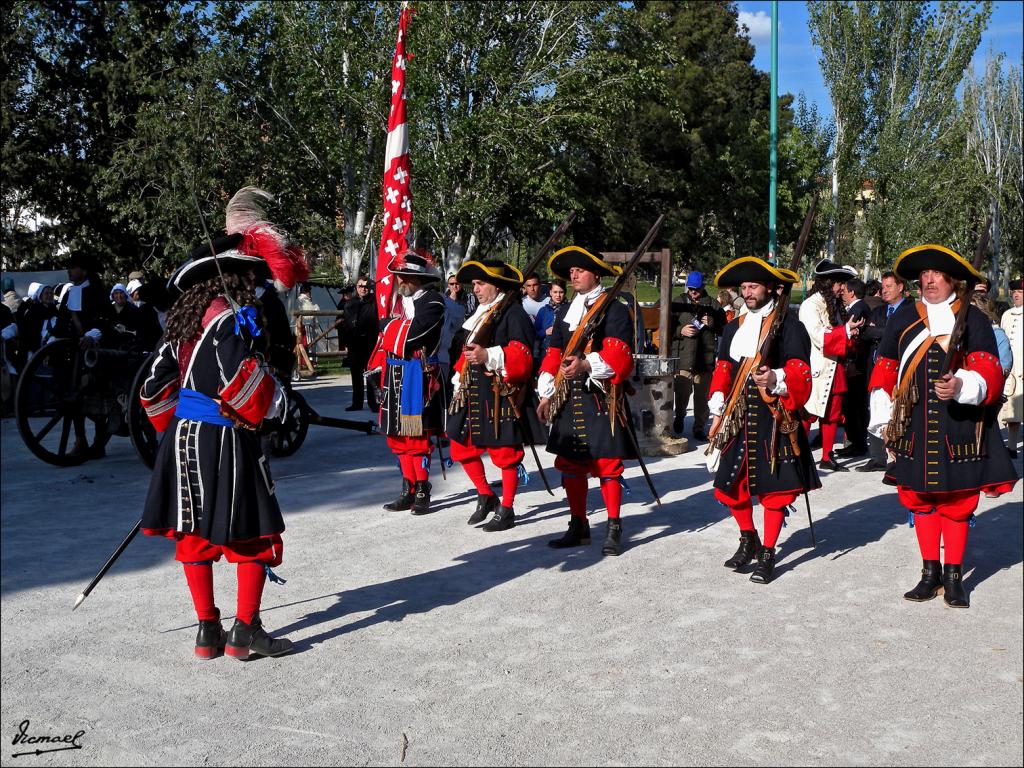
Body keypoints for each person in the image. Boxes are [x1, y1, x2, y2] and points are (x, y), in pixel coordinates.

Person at [138, 185, 309, 659]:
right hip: (227, 437)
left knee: (195, 532)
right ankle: (245, 631)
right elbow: (241, 378)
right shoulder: (232, 319)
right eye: (252, 278)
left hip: (183, 439)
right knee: (250, 532)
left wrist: (177, 426)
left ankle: (207, 632)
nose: (256, 286)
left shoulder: (185, 323)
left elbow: (152, 387)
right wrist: (277, 406)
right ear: (236, 278)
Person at [868, 245, 1017, 608]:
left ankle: (953, 577)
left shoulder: (974, 320)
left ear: (953, 281)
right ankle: (929, 572)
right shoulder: (904, 316)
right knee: (918, 499)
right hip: (913, 425)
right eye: (924, 274)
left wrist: (962, 385)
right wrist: (884, 417)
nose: (929, 280)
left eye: (937, 274)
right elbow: (885, 367)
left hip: (959, 426)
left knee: (958, 501)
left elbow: (989, 371)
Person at [704, 257, 820, 584]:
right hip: (738, 414)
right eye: (743, 287)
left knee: (775, 491)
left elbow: (800, 370)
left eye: (753, 286)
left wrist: (775, 378)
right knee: (729, 486)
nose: (747, 292)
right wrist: (717, 404)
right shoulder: (733, 326)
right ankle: (748, 538)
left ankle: (768, 552)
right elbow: (724, 369)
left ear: (770, 287)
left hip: (773, 415)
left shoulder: (789, 325)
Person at [536, 246, 636, 556]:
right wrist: (546, 389)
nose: (573, 274)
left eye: (580, 269)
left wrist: (587, 364)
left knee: (607, 464)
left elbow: (620, 353)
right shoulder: (567, 310)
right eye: (571, 271)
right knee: (571, 464)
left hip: (600, 397)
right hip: (568, 395)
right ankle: (578, 525)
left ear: (595, 274)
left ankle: (614, 527)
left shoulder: (615, 308)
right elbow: (554, 351)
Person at [447, 260, 546, 532]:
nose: (475, 289)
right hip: (471, 387)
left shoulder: (513, 314)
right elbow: (465, 353)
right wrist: (459, 376)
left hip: (499, 392)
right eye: (474, 284)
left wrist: (488, 355)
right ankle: (486, 494)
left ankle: (508, 507)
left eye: (481, 283)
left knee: (505, 453)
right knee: (459, 446)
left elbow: (523, 355)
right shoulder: (480, 312)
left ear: (496, 285)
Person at [378, 249, 447, 515]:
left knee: (416, 436)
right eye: (397, 276)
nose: (398, 281)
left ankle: (422, 487)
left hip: (418, 375)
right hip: (394, 373)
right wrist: (390, 326)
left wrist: (389, 327)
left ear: (414, 280)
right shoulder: (398, 302)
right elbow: (384, 327)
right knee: (397, 435)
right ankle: (407, 487)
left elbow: (414, 335)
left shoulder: (433, 302)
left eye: (402, 277)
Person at [798, 259, 863, 471]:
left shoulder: (832, 305)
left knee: (832, 414)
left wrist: (850, 335)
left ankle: (826, 457)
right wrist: (844, 332)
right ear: (826, 283)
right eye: (838, 283)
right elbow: (818, 337)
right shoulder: (810, 306)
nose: (842, 288)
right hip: (817, 370)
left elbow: (838, 337)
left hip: (835, 370)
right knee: (809, 413)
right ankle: (796, 455)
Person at [856, 271, 908, 472]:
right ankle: (878, 457)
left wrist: (881, 332)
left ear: (900, 287)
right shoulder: (878, 311)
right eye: (883, 287)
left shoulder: (909, 310)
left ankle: (897, 457)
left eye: (889, 287)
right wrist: (886, 332)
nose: (884, 291)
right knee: (876, 412)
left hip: (898, 371)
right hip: (876, 369)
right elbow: (866, 333)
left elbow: (903, 336)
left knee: (896, 413)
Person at [668, 271, 722, 440]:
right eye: (690, 288)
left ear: (703, 287)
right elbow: (665, 328)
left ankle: (699, 428)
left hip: (704, 359)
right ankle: (680, 416)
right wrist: (680, 330)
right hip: (683, 357)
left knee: (701, 397)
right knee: (682, 392)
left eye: (696, 289)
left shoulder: (713, 305)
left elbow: (724, 329)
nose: (693, 292)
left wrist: (712, 323)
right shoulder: (678, 302)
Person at [835, 277, 872, 458]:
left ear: (852, 292)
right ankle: (855, 442)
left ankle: (858, 444)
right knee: (851, 406)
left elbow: (851, 334)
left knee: (855, 406)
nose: (842, 294)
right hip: (854, 364)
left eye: (845, 291)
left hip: (856, 365)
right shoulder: (857, 307)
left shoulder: (858, 309)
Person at [343, 276, 380, 411]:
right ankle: (357, 403)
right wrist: (346, 342)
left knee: (370, 374)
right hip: (354, 343)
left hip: (370, 343)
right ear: (356, 287)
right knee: (356, 374)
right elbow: (346, 324)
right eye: (360, 286)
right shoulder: (350, 303)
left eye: (365, 286)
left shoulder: (374, 302)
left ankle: (373, 403)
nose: (363, 289)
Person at [999, 278, 1022, 457]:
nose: (1016, 295)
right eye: (1014, 292)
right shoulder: (1006, 315)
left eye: (1020, 292)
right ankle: (1010, 448)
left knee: (1019, 410)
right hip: (1009, 370)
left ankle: (1013, 446)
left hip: (1022, 369)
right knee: (1007, 410)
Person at [533, 278, 568, 356]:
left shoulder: (570, 310)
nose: (558, 295)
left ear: (565, 293)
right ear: (550, 293)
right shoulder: (543, 311)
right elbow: (534, 333)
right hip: (545, 353)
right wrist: (545, 332)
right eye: (555, 292)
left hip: (564, 352)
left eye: (561, 292)